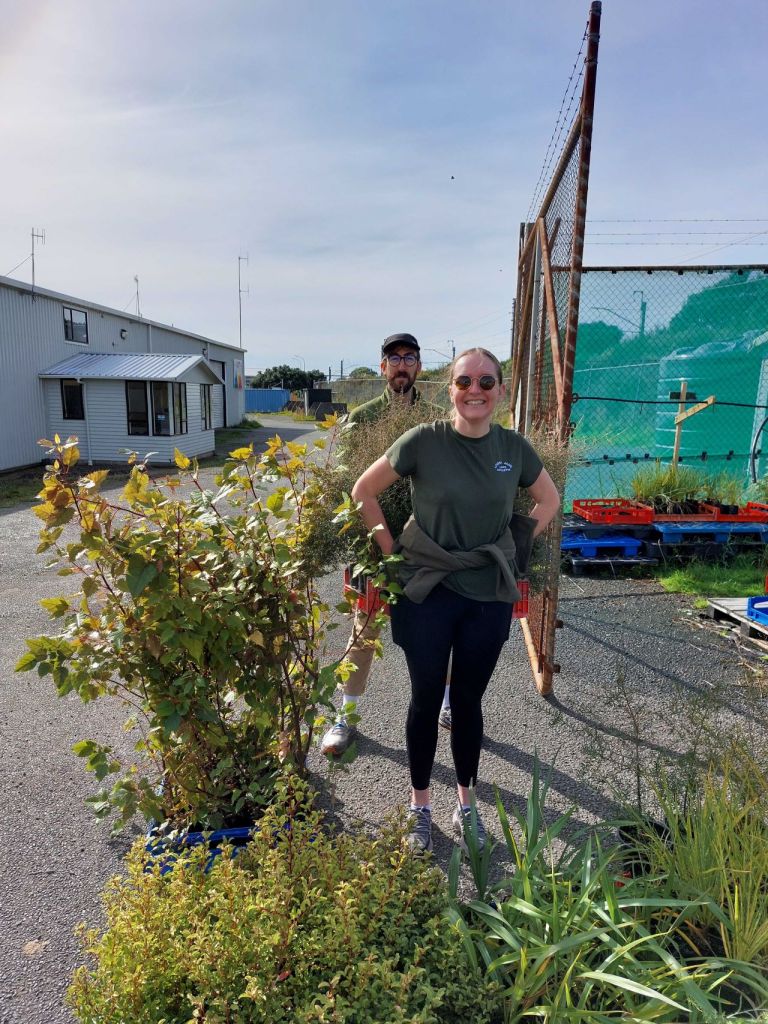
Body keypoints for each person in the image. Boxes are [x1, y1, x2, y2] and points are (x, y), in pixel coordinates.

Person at [350, 347, 560, 853]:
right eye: (465, 382)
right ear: (450, 389)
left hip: (486, 594)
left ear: (501, 392)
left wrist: (513, 548)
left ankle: (465, 804)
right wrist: (393, 552)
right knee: (425, 700)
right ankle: (420, 806)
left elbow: (549, 501)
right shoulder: (424, 440)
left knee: (467, 702)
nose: (475, 391)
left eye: (487, 383)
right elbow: (363, 491)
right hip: (427, 591)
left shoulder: (515, 448)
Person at [320, 333, 453, 757]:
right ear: (382, 367)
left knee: (441, 631)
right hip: (372, 549)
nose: (401, 366)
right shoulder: (361, 418)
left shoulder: (437, 419)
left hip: (429, 548)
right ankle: (345, 717)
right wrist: (377, 541)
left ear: (418, 367)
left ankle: (448, 706)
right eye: (393, 359)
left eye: (409, 358)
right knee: (363, 635)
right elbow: (345, 484)